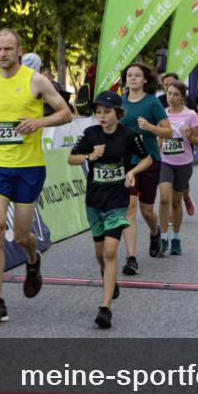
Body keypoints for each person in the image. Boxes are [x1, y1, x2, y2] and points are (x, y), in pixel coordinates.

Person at [0, 28, 72, 323]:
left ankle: (33, 259)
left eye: (7, 49)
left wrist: (39, 122)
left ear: (18, 51)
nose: (2, 54)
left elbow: (65, 113)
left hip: (29, 168)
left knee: (22, 234)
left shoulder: (35, 80)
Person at [68, 91, 152, 328]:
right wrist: (89, 155)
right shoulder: (90, 133)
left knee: (110, 251)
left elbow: (147, 159)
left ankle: (105, 309)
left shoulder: (128, 136)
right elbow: (70, 159)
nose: (101, 116)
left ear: (118, 112)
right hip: (94, 200)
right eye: (98, 112)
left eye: (106, 112)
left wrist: (132, 172)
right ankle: (109, 279)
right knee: (99, 254)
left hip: (117, 200)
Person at [119, 62, 171, 272]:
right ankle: (131, 258)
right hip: (126, 162)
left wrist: (150, 127)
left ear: (144, 80)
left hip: (149, 160)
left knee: (147, 209)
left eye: (136, 75)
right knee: (130, 207)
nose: (132, 78)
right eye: (129, 75)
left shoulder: (152, 103)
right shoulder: (120, 103)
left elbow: (169, 132)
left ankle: (155, 232)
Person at [158, 80, 198, 256]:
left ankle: (176, 238)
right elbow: (159, 137)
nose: (172, 97)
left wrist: (190, 136)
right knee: (163, 198)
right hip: (165, 161)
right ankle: (162, 238)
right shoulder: (162, 114)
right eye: (169, 94)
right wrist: (159, 141)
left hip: (183, 163)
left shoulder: (191, 115)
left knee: (176, 202)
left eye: (176, 94)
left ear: (182, 97)